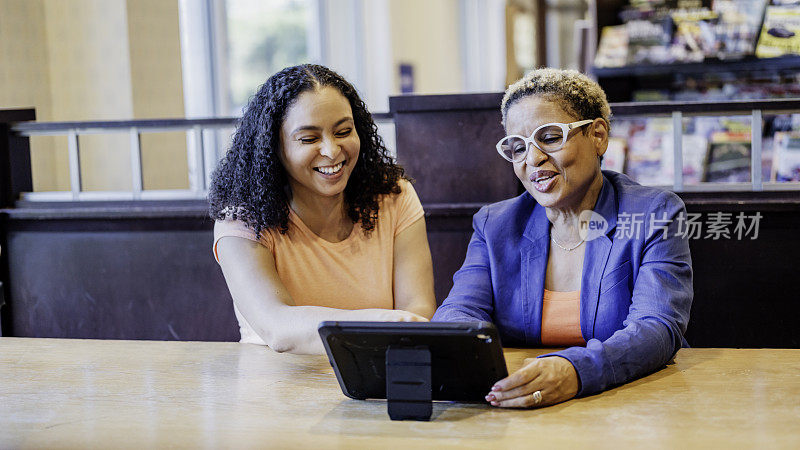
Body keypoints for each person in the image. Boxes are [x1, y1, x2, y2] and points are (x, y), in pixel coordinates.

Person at [433, 68, 693, 408]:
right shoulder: (495, 224)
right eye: (519, 147)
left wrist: (574, 371)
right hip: (522, 405)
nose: (534, 159)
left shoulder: (654, 214)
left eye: (550, 138)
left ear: (598, 136)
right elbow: (458, 312)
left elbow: (657, 328)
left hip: (635, 403)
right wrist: (468, 355)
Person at [209, 64, 436, 354]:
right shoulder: (243, 219)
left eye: (343, 131)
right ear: (273, 147)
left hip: (376, 380)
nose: (331, 150)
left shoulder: (394, 196)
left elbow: (419, 309)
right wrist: (388, 323)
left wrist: (398, 325)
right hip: (274, 386)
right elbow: (278, 327)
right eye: (309, 139)